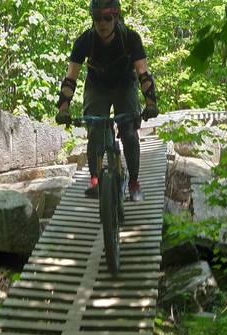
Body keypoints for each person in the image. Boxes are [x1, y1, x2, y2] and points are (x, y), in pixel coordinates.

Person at [55, 0, 159, 202]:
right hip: (97, 86)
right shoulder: (84, 41)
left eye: (107, 18)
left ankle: (134, 183)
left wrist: (151, 104)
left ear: (116, 17)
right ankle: (94, 179)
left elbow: (143, 74)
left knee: (128, 130)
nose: (102, 23)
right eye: (97, 18)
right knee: (95, 130)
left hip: (124, 84)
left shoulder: (130, 38)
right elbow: (70, 79)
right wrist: (63, 108)